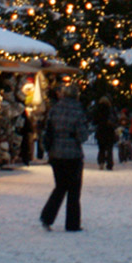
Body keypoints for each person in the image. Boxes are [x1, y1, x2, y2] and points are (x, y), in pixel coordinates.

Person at [39, 83, 89, 232]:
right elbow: (83, 136)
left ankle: (47, 217)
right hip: (73, 154)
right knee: (74, 190)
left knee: (60, 187)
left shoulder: (55, 109)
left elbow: (48, 129)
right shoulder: (78, 110)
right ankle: (72, 223)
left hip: (56, 153)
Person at [93, 96, 116, 170]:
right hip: (109, 131)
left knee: (101, 148)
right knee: (109, 149)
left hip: (101, 131)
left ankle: (101, 162)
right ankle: (109, 164)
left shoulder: (97, 109)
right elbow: (115, 119)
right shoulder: (111, 109)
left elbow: (95, 121)